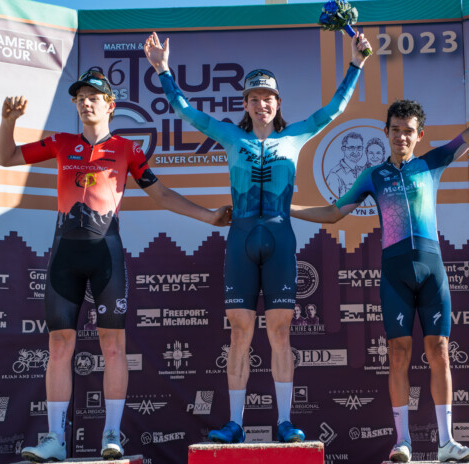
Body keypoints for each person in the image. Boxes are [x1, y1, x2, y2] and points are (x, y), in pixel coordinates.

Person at [291, 49, 469, 463]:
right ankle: (402, 441)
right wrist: (287, 207)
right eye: (396, 130)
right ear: (385, 132)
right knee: (398, 354)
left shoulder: (431, 164)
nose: (401, 136)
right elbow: (332, 213)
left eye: (409, 131)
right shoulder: (373, 176)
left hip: (431, 268)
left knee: (439, 350)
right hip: (395, 272)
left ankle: (446, 443)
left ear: (420, 135)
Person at [144, 31, 371, 444]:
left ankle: (285, 421)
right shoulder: (232, 136)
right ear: (245, 105)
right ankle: (235, 423)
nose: (261, 103)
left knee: (280, 331)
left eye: (268, 97)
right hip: (242, 238)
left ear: (278, 103)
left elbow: (335, 109)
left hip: (280, 237)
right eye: (253, 98)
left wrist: (356, 63)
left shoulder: (296, 134)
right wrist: (162, 69)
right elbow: (186, 111)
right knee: (240, 331)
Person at [0, 70, 231, 462]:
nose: (85, 103)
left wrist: (208, 217)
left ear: (110, 105)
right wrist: (8, 123)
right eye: (80, 98)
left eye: (93, 97)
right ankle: (55, 438)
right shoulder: (61, 143)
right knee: (59, 345)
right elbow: (5, 158)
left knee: (113, 346)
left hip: (106, 253)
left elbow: (162, 195)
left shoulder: (127, 149)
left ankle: (111, 434)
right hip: (64, 255)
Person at [325, 131, 365, 197]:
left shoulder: (362, 171)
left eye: (359, 148)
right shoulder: (334, 175)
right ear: (343, 149)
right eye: (351, 148)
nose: (356, 151)